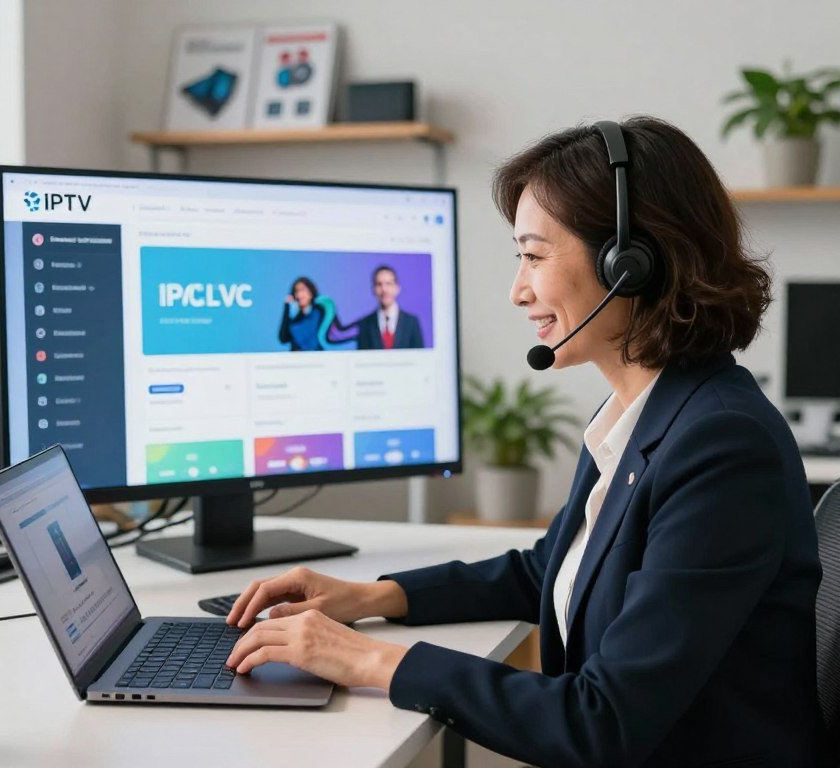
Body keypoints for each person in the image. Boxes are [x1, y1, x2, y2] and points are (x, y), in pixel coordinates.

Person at [227, 117, 826, 767]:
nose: (518, 291)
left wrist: (368, 659)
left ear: (630, 263)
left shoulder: (722, 446)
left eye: (534, 256)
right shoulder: (643, 413)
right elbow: (554, 567)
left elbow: (602, 722)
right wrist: (371, 597)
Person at [278, 277, 355, 351]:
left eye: (303, 290)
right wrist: (286, 309)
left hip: (318, 357)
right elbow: (283, 338)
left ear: (311, 292)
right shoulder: (295, 320)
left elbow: (337, 333)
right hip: (300, 358)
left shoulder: (321, 311)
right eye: (296, 291)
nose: (299, 294)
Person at [356, 266, 424, 350]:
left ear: (397, 288)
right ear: (373, 289)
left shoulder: (411, 322)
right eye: (379, 284)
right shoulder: (365, 324)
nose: (384, 289)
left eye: (388, 283)